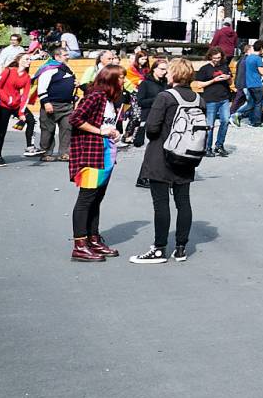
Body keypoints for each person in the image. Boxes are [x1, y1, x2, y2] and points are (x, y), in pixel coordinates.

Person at [129, 58, 202, 264]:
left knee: (161, 203)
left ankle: (159, 248)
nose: (167, 74)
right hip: (187, 155)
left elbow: (152, 128)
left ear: (175, 74)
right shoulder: (198, 99)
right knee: (183, 201)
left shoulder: (165, 97)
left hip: (162, 154)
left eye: (169, 71)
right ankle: (181, 248)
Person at [67, 64, 124, 262]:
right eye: (121, 77)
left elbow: (105, 124)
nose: (124, 81)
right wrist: (100, 131)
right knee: (86, 198)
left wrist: (112, 131)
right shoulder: (96, 96)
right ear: (111, 79)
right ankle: (80, 244)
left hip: (106, 154)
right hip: (92, 154)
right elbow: (75, 118)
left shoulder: (109, 99)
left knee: (97, 197)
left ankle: (93, 239)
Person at [32, 46, 77, 162]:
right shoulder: (49, 69)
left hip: (67, 105)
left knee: (67, 129)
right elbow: (42, 88)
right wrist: (46, 103)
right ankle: (46, 153)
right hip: (51, 104)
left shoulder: (67, 68)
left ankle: (65, 153)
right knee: (48, 130)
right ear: (57, 56)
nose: (68, 57)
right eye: (65, 55)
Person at [193, 47, 233, 157]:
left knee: (225, 121)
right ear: (210, 57)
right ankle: (207, 147)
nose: (217, 60)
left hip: (224, 98)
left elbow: (230, 83)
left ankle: (219, 145)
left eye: (219, 58)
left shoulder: (224, 66)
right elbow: (199, 85)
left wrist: (227, 78)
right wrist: (213, 80)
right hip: (210, 99)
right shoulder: (205, 69)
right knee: (210, 125)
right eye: (215, 58)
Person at [0, 50, 33, 166]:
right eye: (27, 59)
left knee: (31, 120)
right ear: (19, 60)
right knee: (1, 131)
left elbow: (26, 95)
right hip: (4, 104)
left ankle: (30, 147)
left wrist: (21, 112)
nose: (29, 61)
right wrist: (7, 99)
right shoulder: (8, 71)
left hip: (16, 104)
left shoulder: (27, 77)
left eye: (30, 59)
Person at [235, 40, 263, 128]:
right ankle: (255, 121)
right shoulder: (258, 58)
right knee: (258, 104)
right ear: (261, 48)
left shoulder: (249, 57)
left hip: (249, 84)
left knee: (252, 103)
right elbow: (262, 72)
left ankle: (247, 117)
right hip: (257, 84)